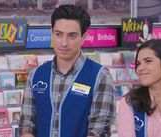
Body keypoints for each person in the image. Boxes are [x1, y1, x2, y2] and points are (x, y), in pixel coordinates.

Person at [19, 4, 116, 137]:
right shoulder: (35, 76)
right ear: (51, 33)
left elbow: (99, 129)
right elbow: (27, 125)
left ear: (83, 37)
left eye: (72, 36)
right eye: (58, 34)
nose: (64, 43)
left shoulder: (100, 76)